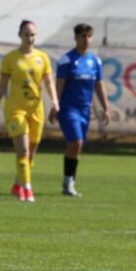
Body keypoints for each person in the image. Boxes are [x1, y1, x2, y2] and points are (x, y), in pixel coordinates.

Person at [0, 19, 59, 202]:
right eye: (26, 34)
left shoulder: (42, 58)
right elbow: (2, 85)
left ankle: (17, 184)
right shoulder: (11, 58)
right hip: (15, 109)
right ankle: (27, 189)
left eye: (33, 34)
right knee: (23, 151)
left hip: (36, 109)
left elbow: (49, 82)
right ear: (19, 35)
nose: (30, 38)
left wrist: (55, 101)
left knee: (31, 153)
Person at [50, 23, 110, 197]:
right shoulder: (67, 60)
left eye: (89, 36)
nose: (86, 40)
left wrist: (106, 108)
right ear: (75, 38)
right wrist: (55, 105)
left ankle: (69, 182)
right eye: (83, 36)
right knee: (76, 142)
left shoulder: (95, 61)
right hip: (68, 109)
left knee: (76, 147)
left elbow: (99, 86)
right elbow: (59, 85)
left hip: (85, 110)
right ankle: (69, 183)